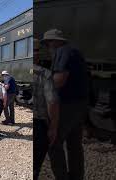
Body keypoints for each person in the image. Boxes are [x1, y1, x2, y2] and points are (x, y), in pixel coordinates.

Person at [41, 29, 88, 180]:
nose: (47, 47)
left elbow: (59, 80)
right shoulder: (75, 52)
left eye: (48, 43)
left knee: (53, 142)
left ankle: (62, 177)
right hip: (80, 103)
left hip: (67, 105)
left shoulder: (62, 52)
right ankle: (76, 176)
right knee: (74, 144)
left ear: (55, 41)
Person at [33, 38, 60, 180]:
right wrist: (53, 127)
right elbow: (52, 102)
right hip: (38, 125)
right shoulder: (45, 73)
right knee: (35, 167)